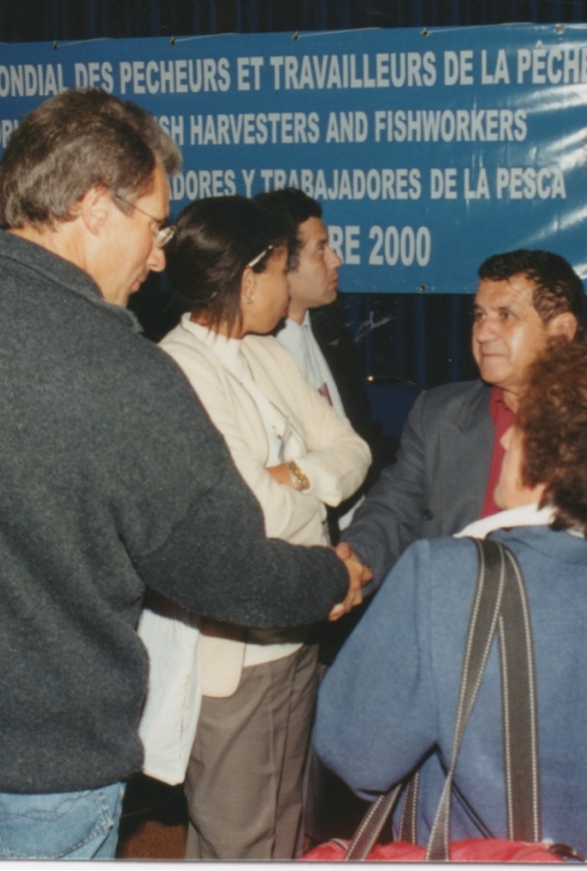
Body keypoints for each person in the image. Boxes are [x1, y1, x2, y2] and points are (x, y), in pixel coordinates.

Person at [0, 89, 365, 860]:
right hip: (34, 781)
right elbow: (228, 571)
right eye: (154, 225)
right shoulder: (123, 372)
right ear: (93, 208)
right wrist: (329, 577)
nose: (159, 256)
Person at [314, 336, 587, 862]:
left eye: (524, 426)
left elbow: (354, 755)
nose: (506, 439)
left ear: (558, 458)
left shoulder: (445, 578)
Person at [140, 196, 370, 860]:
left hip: (299, 627)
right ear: (246, 279)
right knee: (237, 835)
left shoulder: (266, 352)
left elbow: (353, 451)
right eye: (278, 269)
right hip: (237, 652)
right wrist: (310, 495)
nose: (285, 284)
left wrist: (291, 474)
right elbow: (252, 514)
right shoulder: (181, 367)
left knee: (285, 821)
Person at [341, 249, 581, 581]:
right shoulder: (438, 414)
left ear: (561, 332)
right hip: (456, 602)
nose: (483, 333)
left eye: (506, 315)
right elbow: (392, 511)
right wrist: (352, 565)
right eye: (480, 315)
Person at [253, 186, 380, 532]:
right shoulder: (250, 356)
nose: (336, 260)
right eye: (321, 249)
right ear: (280, 261)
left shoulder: (333, 336)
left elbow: (364, 435)